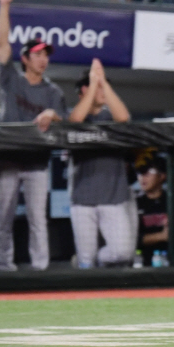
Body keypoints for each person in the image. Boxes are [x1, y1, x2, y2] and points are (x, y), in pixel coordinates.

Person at [0, 0, 67, 271]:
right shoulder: (12, 80)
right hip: (9, 158)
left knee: (38, 219)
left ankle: (40, 270)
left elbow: (64, 117)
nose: (43, 59)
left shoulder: (53, 91)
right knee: (4, 218)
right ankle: (4, 267)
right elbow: (2, 47)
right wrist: (4, 7)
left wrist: (53, 114)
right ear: (26, 58)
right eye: (37, 54)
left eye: (45, 55)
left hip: (37, 162)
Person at [69, 59, 136, 269]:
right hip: (83, 199)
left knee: (122, 252)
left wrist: (102, 82)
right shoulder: (76, 113)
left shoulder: (111, 115)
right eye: (94, 85)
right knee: (85, 262)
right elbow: (73, 121)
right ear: (83, 91)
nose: (100, 88)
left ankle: (98, 261)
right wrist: (92, 83)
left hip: (113, 197)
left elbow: (124, 118)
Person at [135, 154, 169, 267]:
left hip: (168, 261)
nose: (142, 177)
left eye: (148, 172)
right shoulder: (135, 203)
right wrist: (161, 236)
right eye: (140, 173)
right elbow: (132, 240)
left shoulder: (172, 202)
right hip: (140, 262)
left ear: (162, 176)